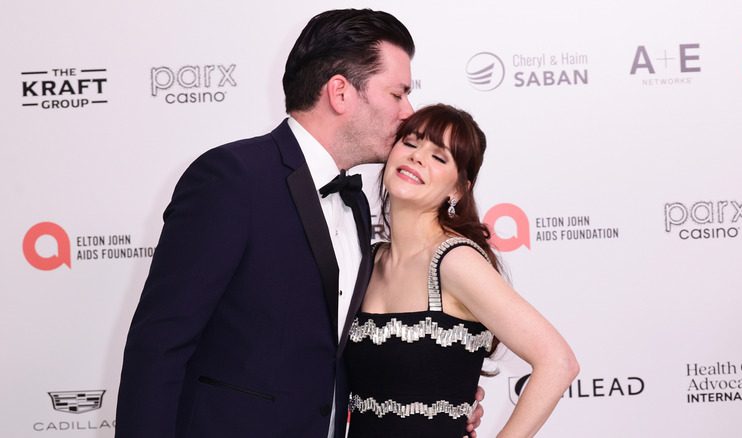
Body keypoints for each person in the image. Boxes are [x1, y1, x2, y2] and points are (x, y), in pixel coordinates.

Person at [116, 9, 484, 438]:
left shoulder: (357, 205)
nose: (409, 111)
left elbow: (328, 349)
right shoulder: (233, 177)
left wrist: (432, 392)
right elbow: (159, 344)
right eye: (398, 93)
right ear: (341, 93)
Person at [344, 104, 580, 437]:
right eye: (410, 143)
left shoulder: (454, 261)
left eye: (439, 157)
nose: (417, 157)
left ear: (458, 189)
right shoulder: (366, 258)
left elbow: (558, 362)